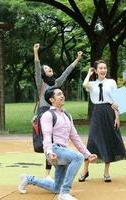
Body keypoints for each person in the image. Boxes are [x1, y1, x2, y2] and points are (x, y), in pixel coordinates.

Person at [19, 87, 97, 200]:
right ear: (52, 99)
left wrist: (87, 154)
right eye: (59, 94)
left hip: (63, 151)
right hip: (54, 150)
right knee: (78, 158)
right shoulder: (48, 115)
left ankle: (28, 179)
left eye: (62, 93)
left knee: (56, 187)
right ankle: (64, 192)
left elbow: (75, 137)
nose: (62, 96)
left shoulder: (67, 116)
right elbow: (46, 136)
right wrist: (49, 153)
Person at [33, 43, 83, 180]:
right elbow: (37, 68)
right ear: (43, 73)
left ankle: (57, 172)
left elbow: (67, 72)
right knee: (47, 143)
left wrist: (77, 59)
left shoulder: (55, 84)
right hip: (44, 114)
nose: (49, 69)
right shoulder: (40, 83)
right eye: (46, 68)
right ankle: (48, 174)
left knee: (57, 143)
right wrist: (36, 52)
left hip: (55, 113)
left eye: (49, 68)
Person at [78, 60, 126, 183]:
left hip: (109, 111)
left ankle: (106, 172)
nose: (103, 70)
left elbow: (116, 101)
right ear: (96, 70)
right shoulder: (92, 83)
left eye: (105, 68)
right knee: (92, 141)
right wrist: (89, 74)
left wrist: (117, 117)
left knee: (108, 140)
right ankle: (85, 170)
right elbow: (84, 84)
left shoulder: (111, 82)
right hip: (97, 112)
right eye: (100, 68)